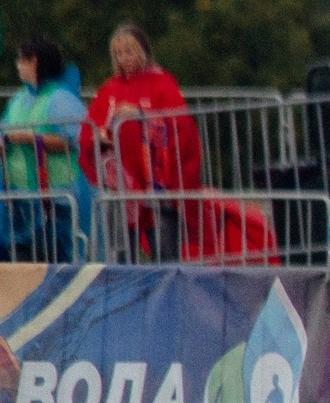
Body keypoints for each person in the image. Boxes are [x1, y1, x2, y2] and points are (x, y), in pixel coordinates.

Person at [81, 22, 203, 262]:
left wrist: (142, 116)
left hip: (158, 189)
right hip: (120, 189)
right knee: (121, 259)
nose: (124, 58)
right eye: (118, 53)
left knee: (164, 258)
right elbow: (89, 129)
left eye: (129, 51)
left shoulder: (163, 84)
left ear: (143, 51)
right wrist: (99, 138)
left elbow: (181, 128)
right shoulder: (109, 89)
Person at [2, 36, 89, 262]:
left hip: (57, 196)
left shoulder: (60, 99)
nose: (18, 64)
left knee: (62, 260)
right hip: (22, 196)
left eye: (24, 59)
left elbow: (77, 139)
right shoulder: (19, 100)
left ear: (37, 62)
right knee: (24, 260)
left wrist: (30, 138)